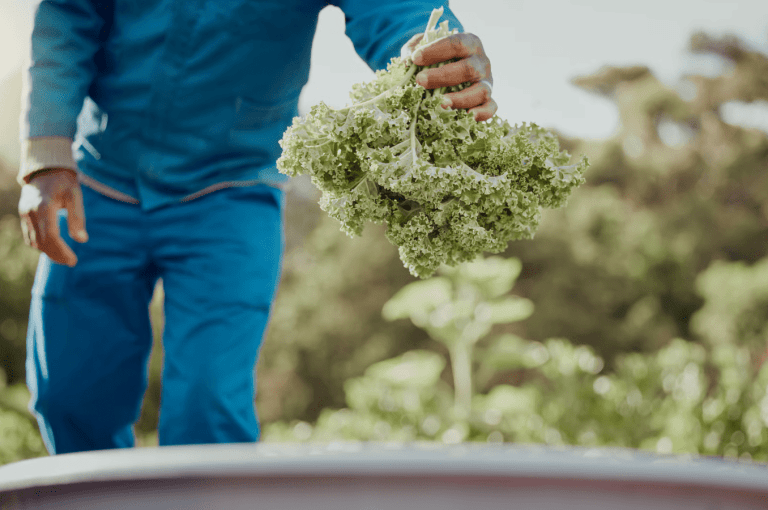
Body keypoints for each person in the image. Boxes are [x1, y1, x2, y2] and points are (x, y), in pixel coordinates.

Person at [17, 0, 497, 454]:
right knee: (69, 395)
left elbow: (398, 11)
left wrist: (433, 51)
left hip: (230, 195)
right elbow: (68, 13)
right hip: (98, 182)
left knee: (207, 407)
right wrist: (46, 151)